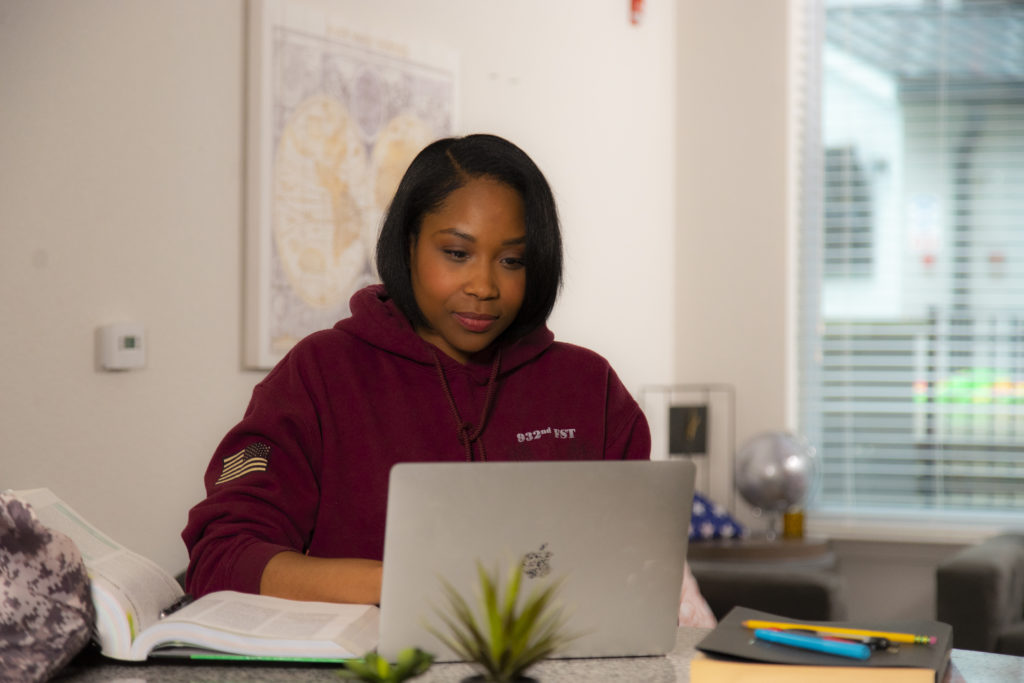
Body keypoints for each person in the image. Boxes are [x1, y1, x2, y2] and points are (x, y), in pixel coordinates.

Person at [181, 133, 715, 626]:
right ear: (408, 243)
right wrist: (406, 585)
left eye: (512, 260)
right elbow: (223, 558)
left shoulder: (590, 386)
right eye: (456, 253)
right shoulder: (319, 372)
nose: (484, 285)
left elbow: (636, 568)